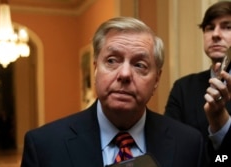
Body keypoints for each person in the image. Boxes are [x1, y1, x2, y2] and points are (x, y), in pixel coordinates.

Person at [21, 17, 204, 167]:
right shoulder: (44, 146)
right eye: (111, 61)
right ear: (95, 70)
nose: (124, 74)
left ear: (156, 80)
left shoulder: (189, 144)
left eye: (140, 65)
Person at [165, 1, 231, 166]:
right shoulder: (183, 88)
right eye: (209, 28)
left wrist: (221, 125)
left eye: (227, 27)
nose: (215, 34)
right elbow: (171, 147)